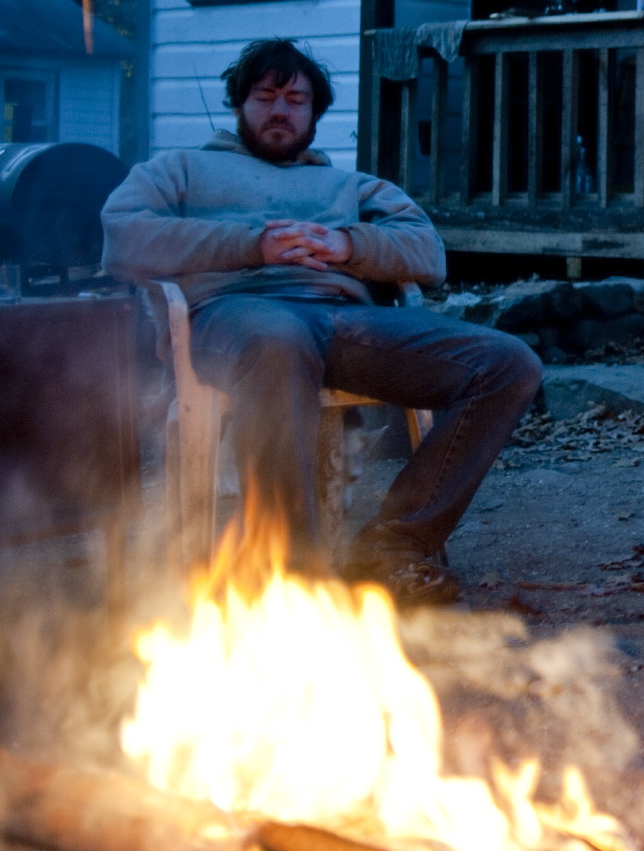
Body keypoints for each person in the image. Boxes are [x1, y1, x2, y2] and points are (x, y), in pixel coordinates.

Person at [103, 39, 540, 604]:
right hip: (233, 318)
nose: (280, 110)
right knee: (277, 338)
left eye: (296, 99)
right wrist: (252, 244)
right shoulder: (182, 170)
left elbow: (426, 252)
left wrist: (346, 243)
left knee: (508, 363)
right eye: (266, 96)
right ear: (240, 105)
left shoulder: (350, 187)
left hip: (343, 321)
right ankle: (289, 573)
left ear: (314, 114)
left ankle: (392, 547)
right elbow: (123, 236)